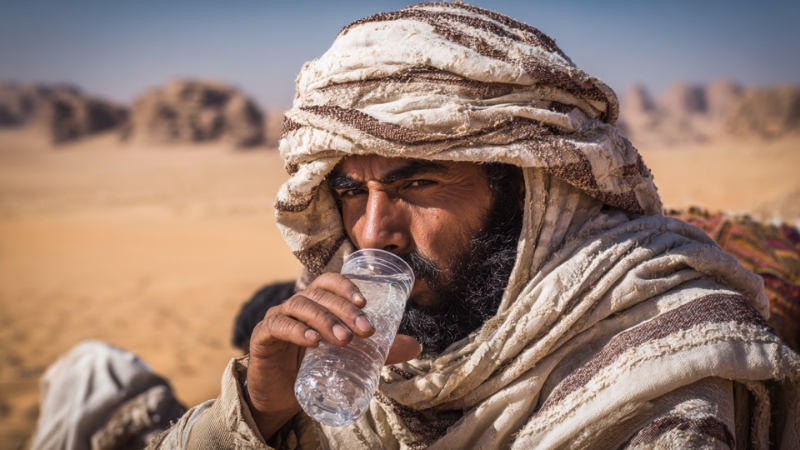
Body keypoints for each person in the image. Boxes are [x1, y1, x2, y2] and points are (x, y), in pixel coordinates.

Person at [150, 3, 800, 449]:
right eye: (350, 190)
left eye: (418, 183)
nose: (373, 232)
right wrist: (258, 415)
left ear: (533, 191)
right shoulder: (361, 368)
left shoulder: (657, 369)